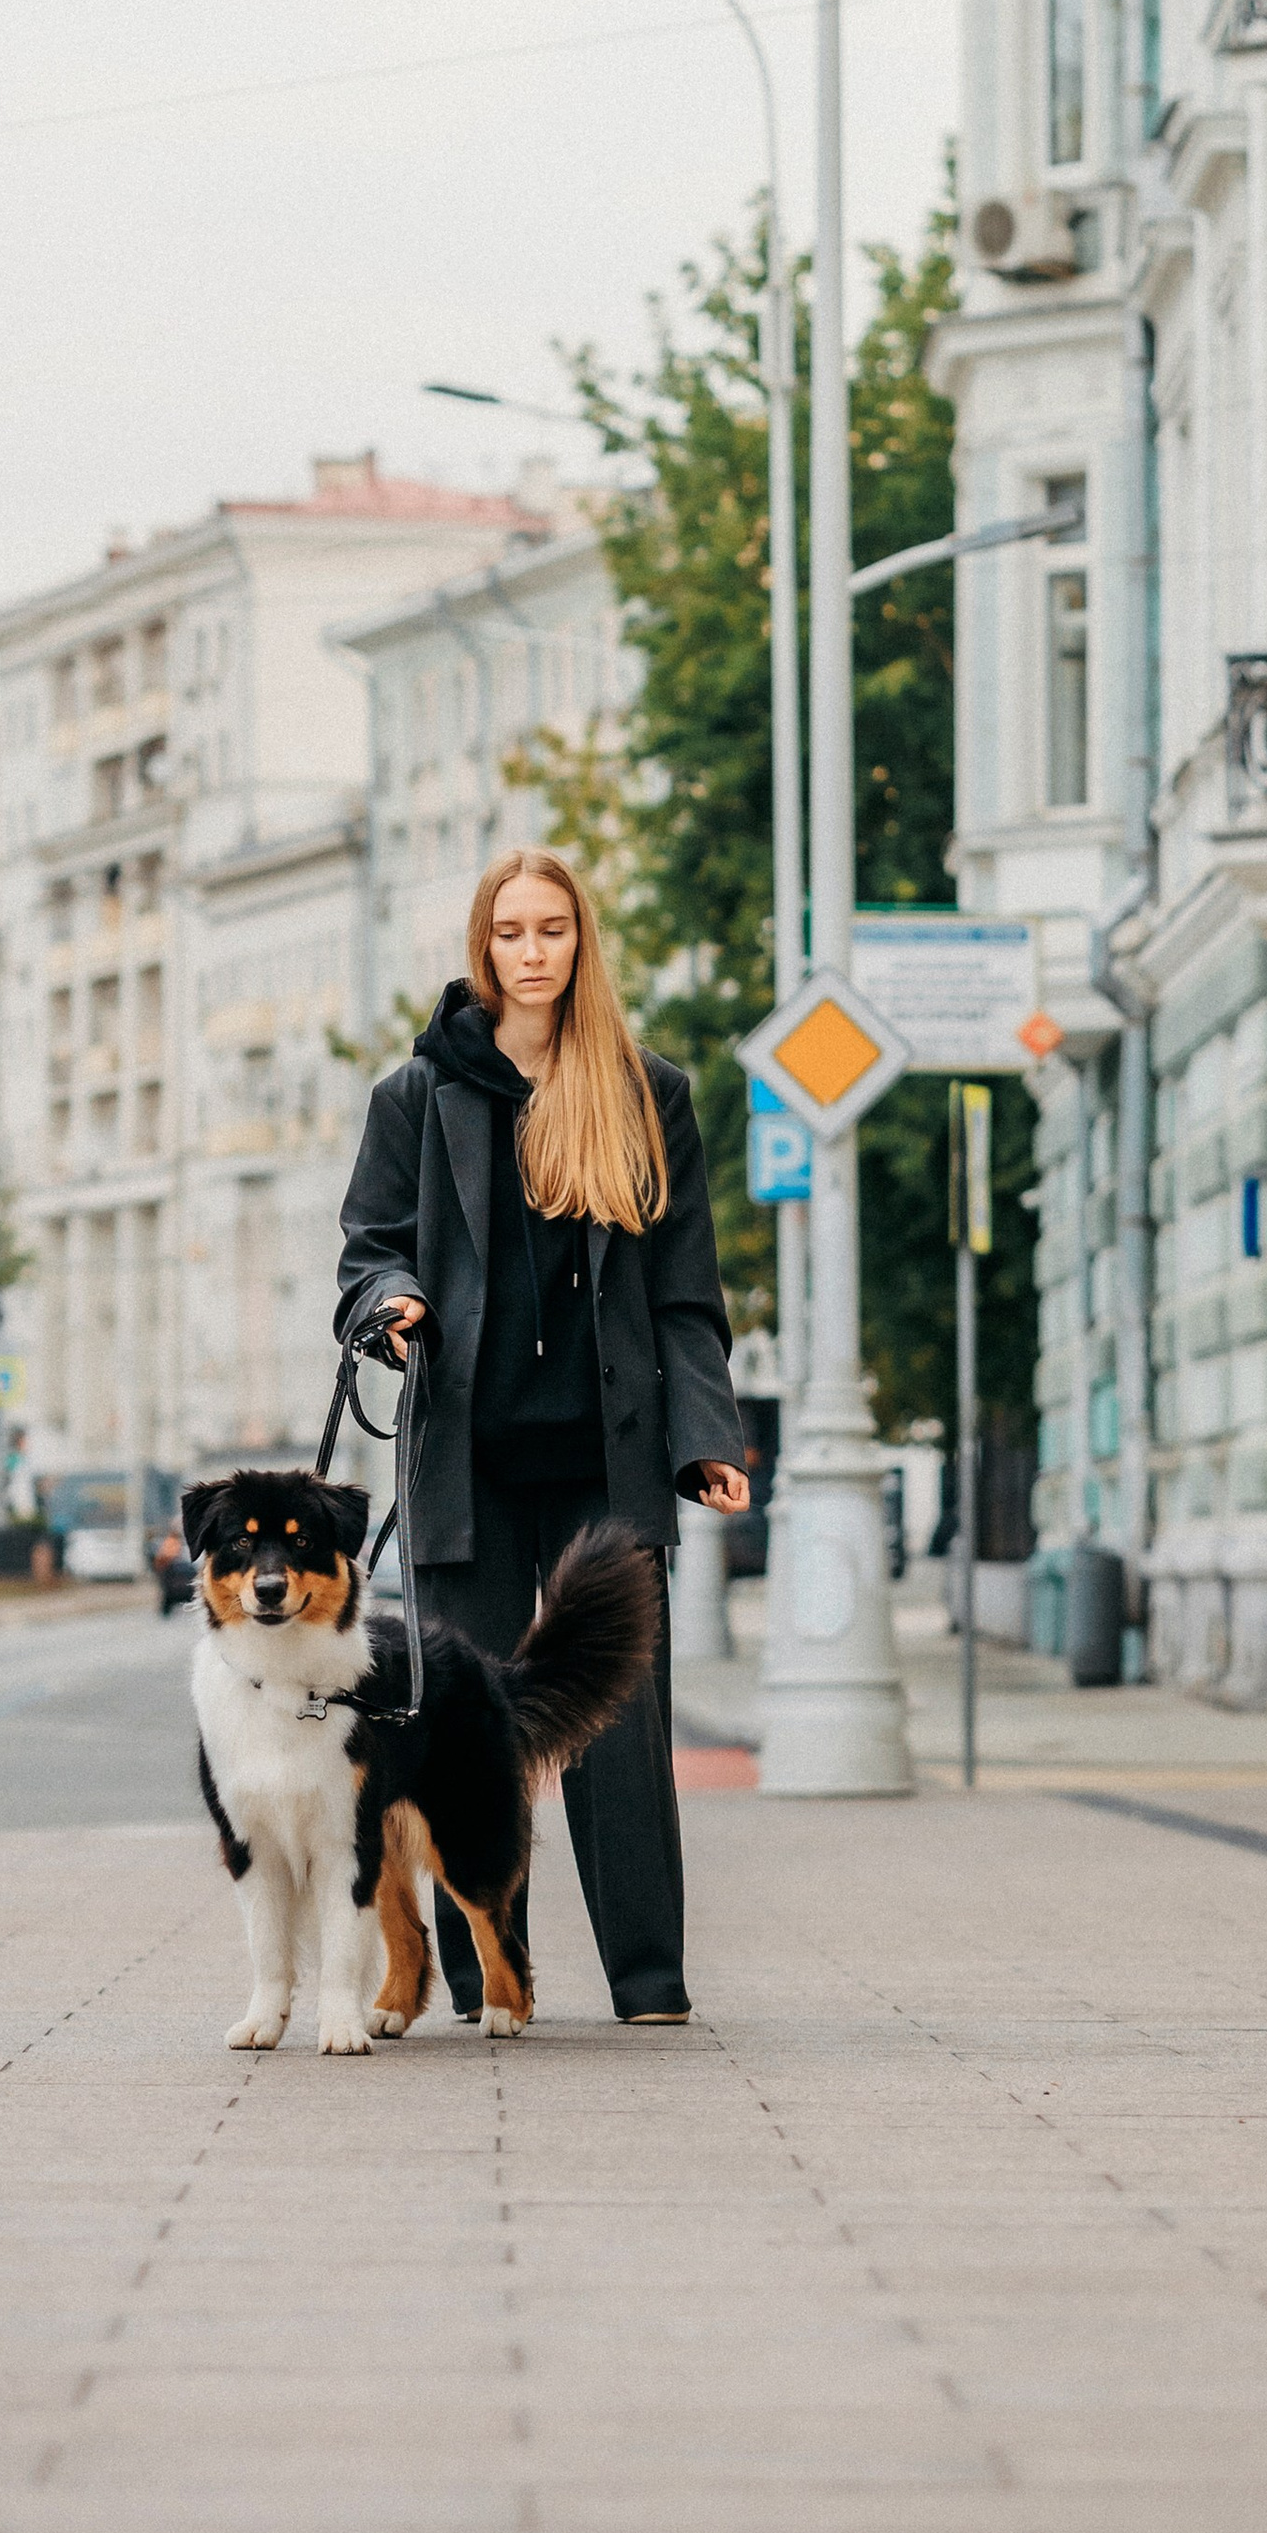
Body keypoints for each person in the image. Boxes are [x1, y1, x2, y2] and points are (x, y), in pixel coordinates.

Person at [337, 846, 749, 2026]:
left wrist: (704, 1435)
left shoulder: (646, 1090)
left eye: (552, 931)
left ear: (581, 943)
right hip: (460, 1461)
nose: (532, 952)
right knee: (459, 1735)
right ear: (484, 946)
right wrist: (390, 1305)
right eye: (511, 932)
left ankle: (649, 1980)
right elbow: (369, 1247)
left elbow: (685, 1292)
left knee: (618, 1732)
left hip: (604, 1462)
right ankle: (482, 1982)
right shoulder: (417, 1097)